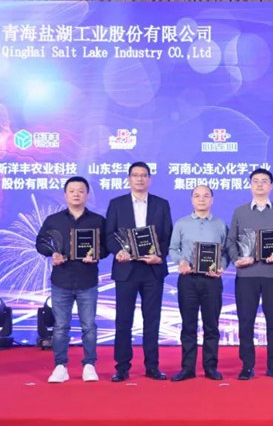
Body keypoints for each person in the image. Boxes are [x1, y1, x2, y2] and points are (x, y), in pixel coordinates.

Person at [35, 176, 108, 383]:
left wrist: (97, 255)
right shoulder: (54, 220)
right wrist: (52, 253)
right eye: (72, 191)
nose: (76, 194)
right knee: (60, 327)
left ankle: (89, 365)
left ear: (87, 195)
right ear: (65, 194)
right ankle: (60, 366)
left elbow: (106, 247)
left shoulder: (98, 221)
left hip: (87, 280)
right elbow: (40, 242)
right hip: (61, 280)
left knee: (89, 326)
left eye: (81, 191)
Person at [105, 162, 173, 382]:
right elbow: (109, 235)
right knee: (123, 321)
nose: (140, 179)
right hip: (126, 270)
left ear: (149, 179)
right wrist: (118, 252)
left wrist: (159, 256)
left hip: (152, 269)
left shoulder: (161, 205)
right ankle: (122, 368)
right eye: (135, 175)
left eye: (144, 175)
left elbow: (167, 236)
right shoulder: (117, 204)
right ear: (129, 179)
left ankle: (152, 366)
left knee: (152, 320)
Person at [225, 168, 273, 380]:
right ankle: (247, 366)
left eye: (264, 181)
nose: (260, 184)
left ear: (271, 186)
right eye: (256, 181)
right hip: (246, 276)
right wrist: (236, 259)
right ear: (250, 185)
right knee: (246, 322)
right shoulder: (240, 212)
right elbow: (230, 241)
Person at [168, 185, 228, 381]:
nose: (201, 199)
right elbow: (173, 248)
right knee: (188, 325)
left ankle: (210, 367)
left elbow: (226, 252)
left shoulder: (220, 224)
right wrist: (181, 262)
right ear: (191, 199)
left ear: (212, 200)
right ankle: (187, 368)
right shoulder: (181, 224)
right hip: (188, 280)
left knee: (212, 326)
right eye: (197, 196)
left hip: (212, 281)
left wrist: (221, 266)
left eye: (206, 196)